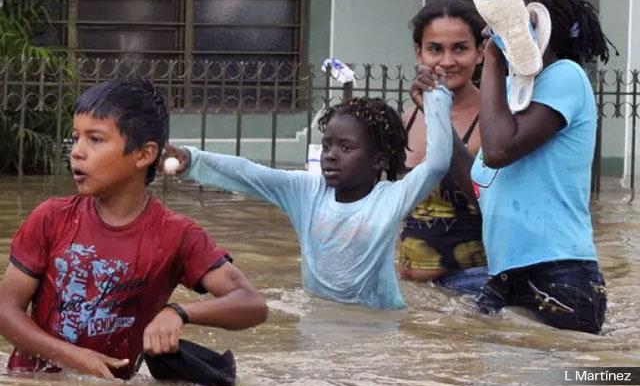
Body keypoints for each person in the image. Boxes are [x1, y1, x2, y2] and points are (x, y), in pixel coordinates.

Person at [0, 80, 268, 380]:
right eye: (76, 138)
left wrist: (178, 313)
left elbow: (252, 303)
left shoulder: (177, 235)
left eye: (95, 139)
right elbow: (5, 310)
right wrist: (73, 357)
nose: (77, 152)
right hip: (30, 382)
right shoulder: (51, 217)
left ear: (144, 155)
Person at [164, 93, 454, 310]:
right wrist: (193, 160)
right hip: (318, 313)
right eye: (327, 145)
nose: (330, 154)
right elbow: (249, 173)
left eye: (345, 147)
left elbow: (437, 164)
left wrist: (435, 98)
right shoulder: (306, 192)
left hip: (376, 323)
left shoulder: (391, 198)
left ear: (378, 159)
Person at [469, 0, 610, 333]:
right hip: (506, 277)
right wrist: (436, 110)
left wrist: (494, 60)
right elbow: (486, 180)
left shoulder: (565, 76)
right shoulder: (512, 101)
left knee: (570, 380)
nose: (491, 31)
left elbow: (499, 150)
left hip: (558, 273)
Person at [398, 0, 488, 295]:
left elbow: (492, 203)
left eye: (460, 48)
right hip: (410, 289)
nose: (446, 61)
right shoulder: (406, 120)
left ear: (480, 53)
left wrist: (436, 117)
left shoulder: (494, 121)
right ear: (418, 53)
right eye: (435, 49)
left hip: (472, 288)